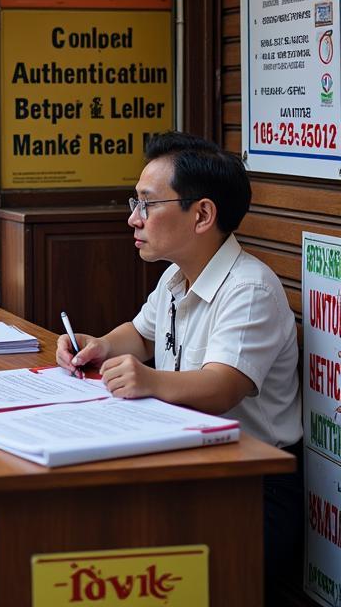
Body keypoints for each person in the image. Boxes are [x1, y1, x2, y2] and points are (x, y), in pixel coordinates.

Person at [56, 131, 302, 590]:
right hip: (189, 463)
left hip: (251, 486)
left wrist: (147, 380)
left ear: (202, 214)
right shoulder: (175, 275)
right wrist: (100, 345)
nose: (134, 219)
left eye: (147, 205)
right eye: (135, 203)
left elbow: (221, 387)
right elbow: (139, 335)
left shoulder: (249, 288)